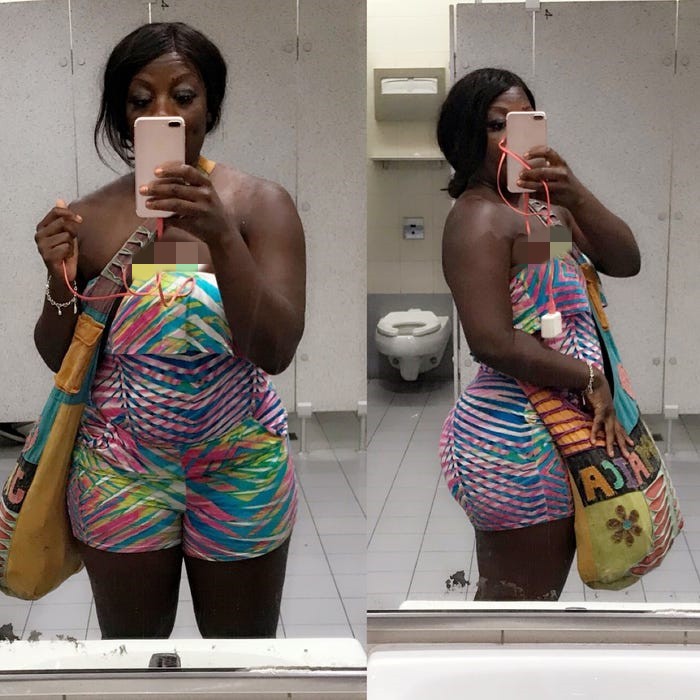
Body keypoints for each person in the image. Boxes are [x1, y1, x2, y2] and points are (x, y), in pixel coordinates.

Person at [33, 22, 305, 638]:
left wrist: (221, 236)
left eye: (183, 96)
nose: (163, 113)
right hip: (120, 467)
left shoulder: (260, 206)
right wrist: (59, 276)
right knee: (133, 656)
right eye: (140, 99)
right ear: (121, 116)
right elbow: (58, 355)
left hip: (239, 463)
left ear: (211, 106)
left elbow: (276, 349)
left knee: (239, 657)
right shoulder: (92, 217)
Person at [436, 67, 640, 601]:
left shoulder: (539, 215)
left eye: (525, 121)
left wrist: (576, 193)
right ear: (464, 138)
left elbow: (624, 260)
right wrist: (590, 376)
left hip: (559, 425)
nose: (512, 136)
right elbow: (492, 340)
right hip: (516, 438)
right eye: (495, 125)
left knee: (533, 601)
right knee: (515, 607)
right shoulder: (478, 220)